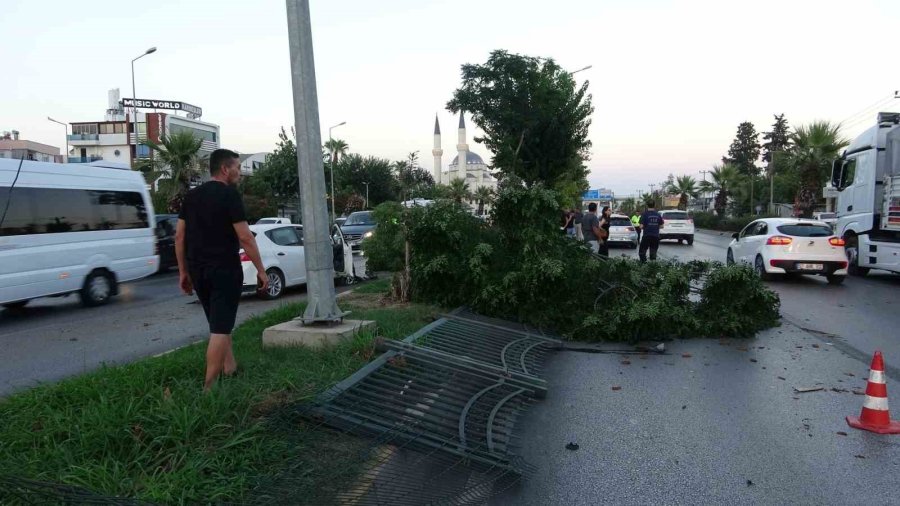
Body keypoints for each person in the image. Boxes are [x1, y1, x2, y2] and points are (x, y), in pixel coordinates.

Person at [175, 149, 268, 391]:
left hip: (198, 270)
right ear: (225, 169)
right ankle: (209, 388)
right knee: (220, 327)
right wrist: (261, 270)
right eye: (237, 166)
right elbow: (245, 237)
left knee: (218, 322)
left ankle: (230, 368)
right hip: (224, 269)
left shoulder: (191, 196)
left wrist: (183, 272)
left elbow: (179, 237)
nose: (240, 171)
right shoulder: (229, 195)